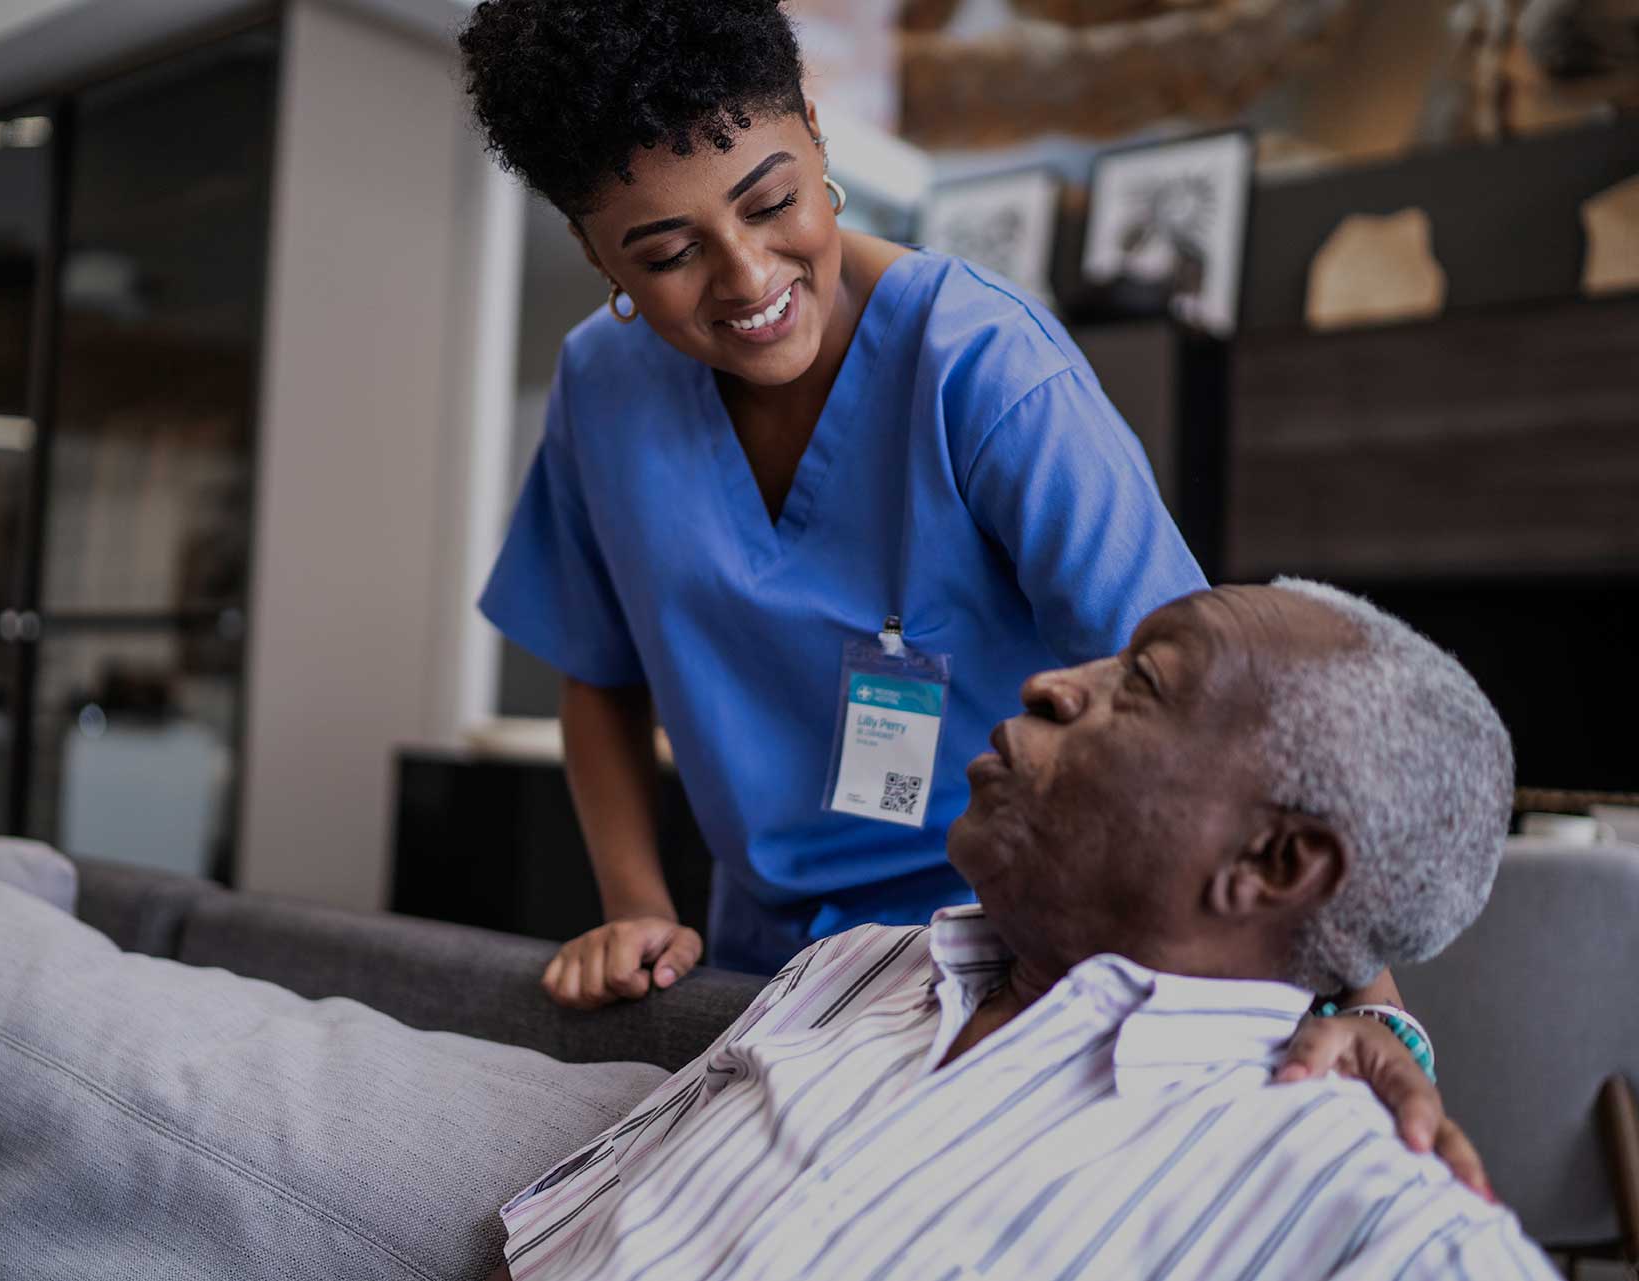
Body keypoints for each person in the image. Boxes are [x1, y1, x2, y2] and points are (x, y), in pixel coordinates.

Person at [462, 0, 1211, 995]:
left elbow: (1195, 711)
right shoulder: (602, 387)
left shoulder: (988, 370)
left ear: (813, 131)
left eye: (770, 203)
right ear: (597, 254)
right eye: (669, 254)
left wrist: (1362, 1004)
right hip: (762, 969)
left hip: (1011, 954)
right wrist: (637, 906)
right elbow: (599, 676)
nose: (747, 276)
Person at [484, 581, 1547, 1280]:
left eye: (1145, 682)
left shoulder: (1378, 1220)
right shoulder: (852, 969)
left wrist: (1388, 1031)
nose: (1047, 680)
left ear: (1272, 864)